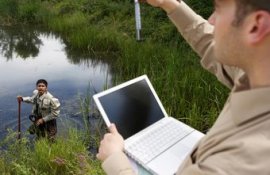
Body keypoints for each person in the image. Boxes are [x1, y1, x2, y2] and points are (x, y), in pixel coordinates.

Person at [96, 0, 270, 174]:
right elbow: (209, 43)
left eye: (218, 9)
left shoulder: (236, 161)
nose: (211, 20)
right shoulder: (256, 75)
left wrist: (114, 159)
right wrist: (169, 4)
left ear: (256, 26)